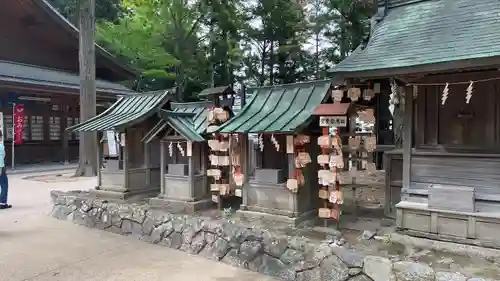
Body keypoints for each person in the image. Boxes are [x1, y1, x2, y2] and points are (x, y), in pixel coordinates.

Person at [0, 130, 11, 209]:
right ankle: (2, 203)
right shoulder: (0, 146)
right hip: (0, 167)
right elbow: (0, 158)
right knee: (4, 185)